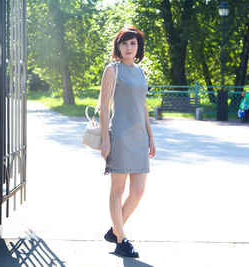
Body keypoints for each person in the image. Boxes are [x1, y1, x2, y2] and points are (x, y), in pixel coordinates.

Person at [99, 26, 156, 258]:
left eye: (133, 44)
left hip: (140, 137)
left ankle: (114, 230)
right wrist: (106, 140)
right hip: (120, 136)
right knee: (118, 189)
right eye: (125, 44)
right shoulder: (112, 70)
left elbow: (143, 106)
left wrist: (151, 138)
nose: (129, 48)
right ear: (118, 47)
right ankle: (122, 240)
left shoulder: (141, 71)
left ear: (138, 47)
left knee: (138, 191)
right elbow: (103, 107)